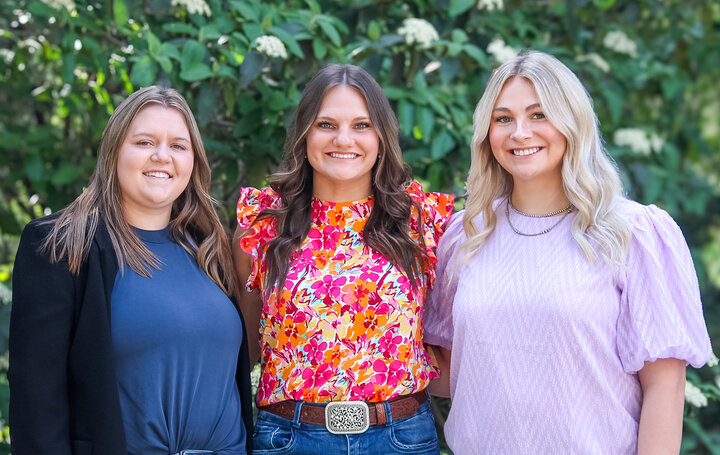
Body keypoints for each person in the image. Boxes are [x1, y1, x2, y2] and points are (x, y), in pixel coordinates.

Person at [424, 50, 713, 454]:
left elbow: (666, 386)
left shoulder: (631, 233)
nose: (520, 132)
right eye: (503, 118)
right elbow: (449, 372)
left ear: (572, 122)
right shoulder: (466, 234)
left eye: (539, 115)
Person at [10, 86, 253, 455]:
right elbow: (36, 401)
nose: (162, 156)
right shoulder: (60, 245)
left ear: (193, 161)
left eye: (178, 145)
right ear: (114, 152)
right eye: (144, 142)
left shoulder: (209, 246)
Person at [232, 64, 454, 454]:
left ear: (382, 136)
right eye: (326, 124)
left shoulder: (421, 221)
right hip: (289, 439)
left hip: (401, 438)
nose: (344, 139)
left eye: (362, 125)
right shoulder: (263, 225)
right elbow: (241, 352)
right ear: (304, 133)